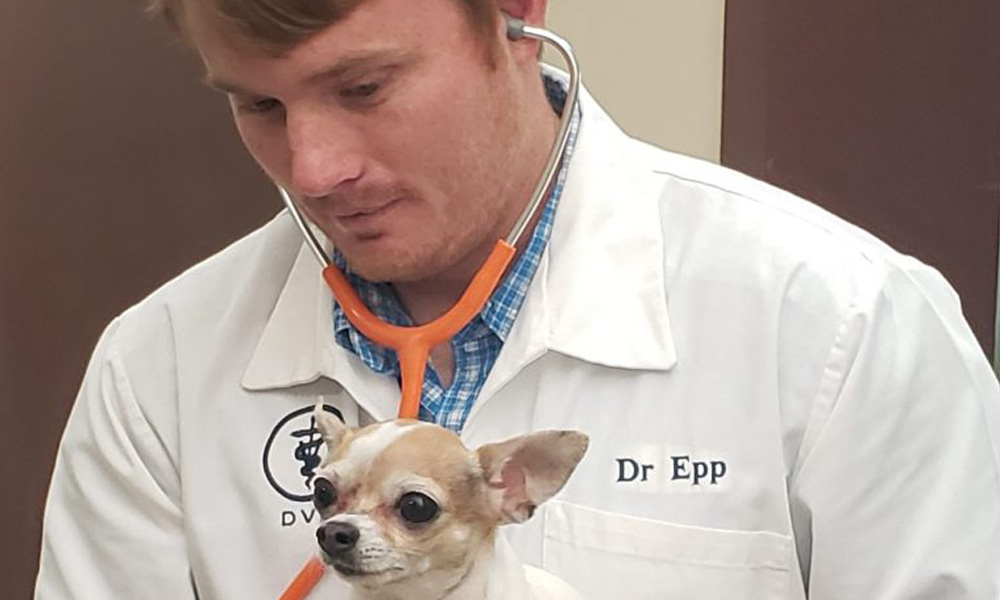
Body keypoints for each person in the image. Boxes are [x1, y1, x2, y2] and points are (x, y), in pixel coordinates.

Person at [34, 0, 1000, 597]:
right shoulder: (158, 364)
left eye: (364, 87)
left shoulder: (842, 323)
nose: (315, 169)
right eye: (258, 105)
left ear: (513, 12)